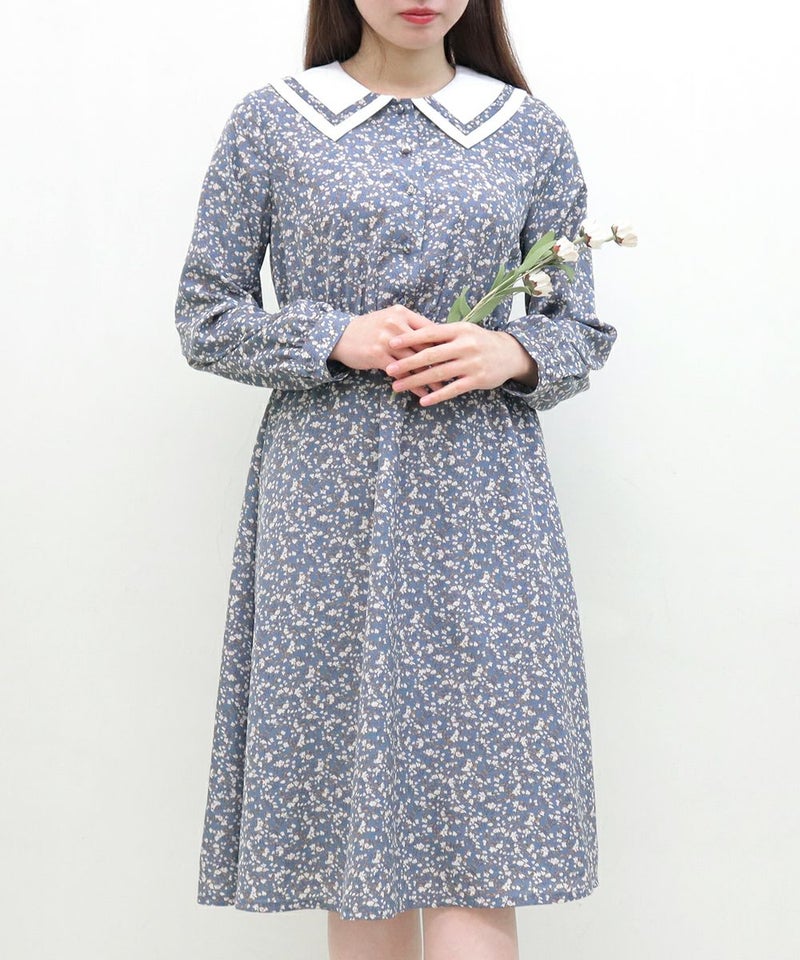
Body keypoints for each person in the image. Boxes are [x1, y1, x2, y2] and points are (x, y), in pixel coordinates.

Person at [174, 1, 618, 958]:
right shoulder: (273, 121)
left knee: (482, 833)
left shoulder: (528, 131)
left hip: (485, 512)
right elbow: (204, 315)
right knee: (353, 831)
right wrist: (334, 335)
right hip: (326, 508)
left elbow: (579, 328)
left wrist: (510, 353)